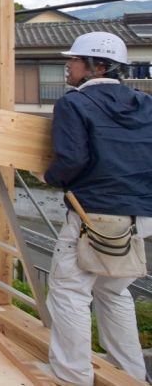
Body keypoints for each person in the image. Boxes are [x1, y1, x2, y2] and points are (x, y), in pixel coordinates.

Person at [43, 32, 152, 385]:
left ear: (96, 65)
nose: (68, 65)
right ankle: (131, 375)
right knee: (114, 292)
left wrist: (52, 176)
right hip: (140, 215)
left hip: (94, 216)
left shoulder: (74, 104)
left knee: (70, 292)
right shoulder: (144, 103)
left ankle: (73, 377)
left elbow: (72, 160)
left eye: (74, 60)